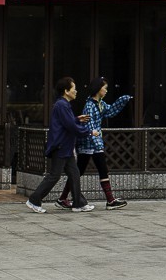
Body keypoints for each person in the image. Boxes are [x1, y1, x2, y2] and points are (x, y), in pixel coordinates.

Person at [56, 77, 132, 210]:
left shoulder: (100, 104)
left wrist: (123, 100)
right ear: (98, 89)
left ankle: (108, 200)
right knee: (80, 172)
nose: (106, 91)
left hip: (94, 143)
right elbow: (89, 126)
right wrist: (95, 138)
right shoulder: (90, 105)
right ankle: (108, 200)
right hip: (89, 144)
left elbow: (111, 111)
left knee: (87, 171)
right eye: (105, 88)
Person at [25, 77, 96, 212]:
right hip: (61, 146)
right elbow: (70, 126)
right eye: (74, 89)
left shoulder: (62, 104)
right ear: (66, 91)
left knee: (74, 173)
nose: (76, 91)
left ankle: (78, 204)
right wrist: (89, 132)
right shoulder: (62, 105)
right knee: (54, 175)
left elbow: (67, 122)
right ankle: (34, 200)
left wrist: (76, 119)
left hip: (65, 146)